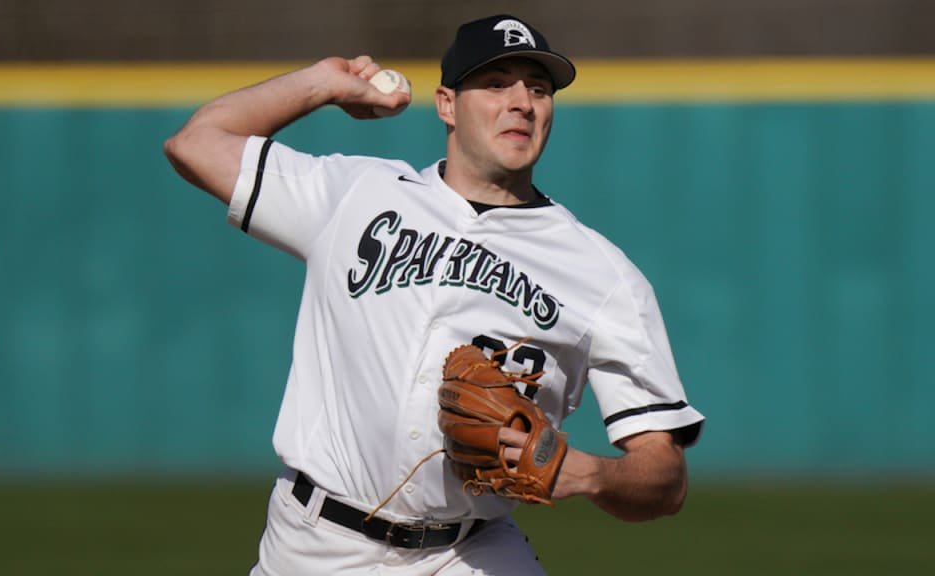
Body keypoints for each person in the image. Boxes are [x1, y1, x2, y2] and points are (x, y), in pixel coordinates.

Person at [164, 13, 704, 576]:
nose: (522, 102)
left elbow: (666, 481)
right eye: (496, 84)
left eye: (539, 89)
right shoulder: (355, 194)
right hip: (313, 542)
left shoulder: (603, 275)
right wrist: (321, 84)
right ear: (447, 104)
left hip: (468, 553)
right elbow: (194, 144)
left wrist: (589, 474)